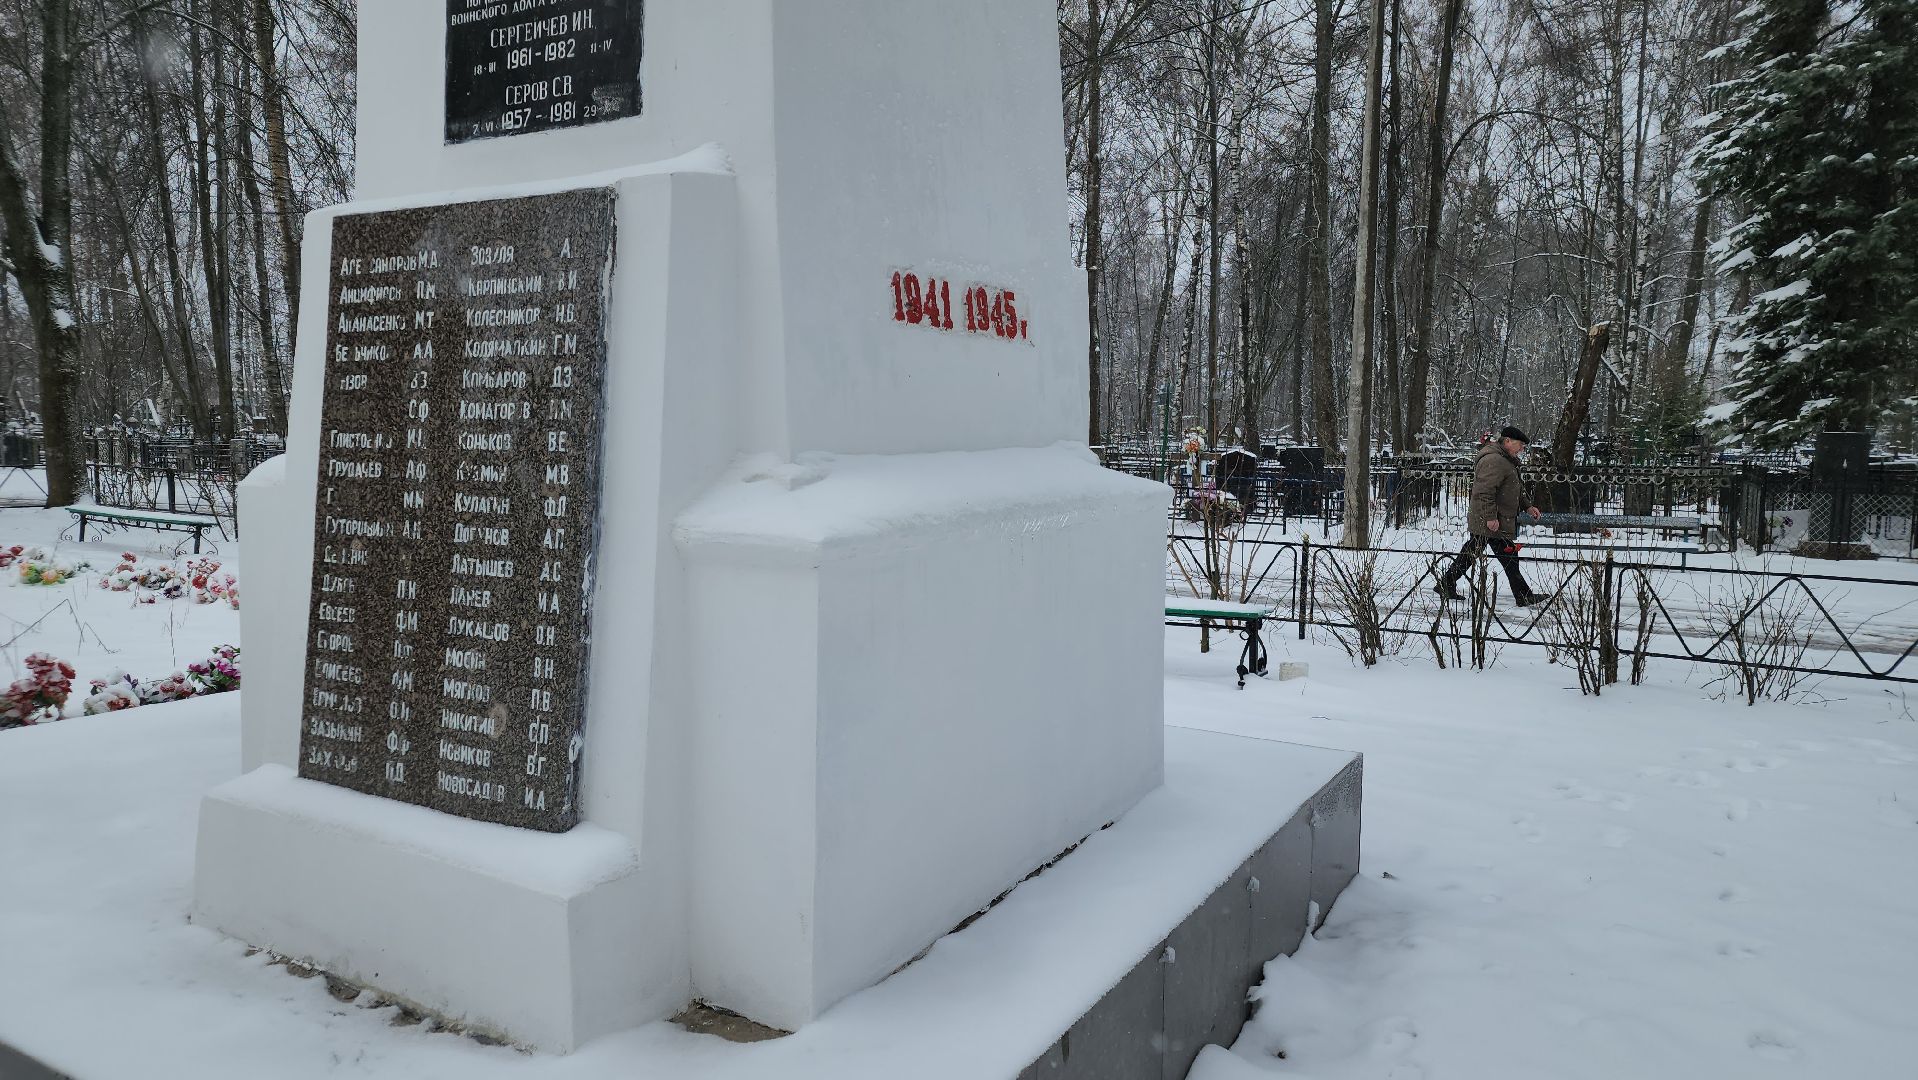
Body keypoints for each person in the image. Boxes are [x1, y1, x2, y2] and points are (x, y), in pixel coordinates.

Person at [1438, 425, 1542, 605]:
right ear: (1507, 441)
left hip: (1495, 519)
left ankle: (1446, 583)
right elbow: (1484, 491)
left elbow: (1513, 488)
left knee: (1474, 553)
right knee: (1503, 557)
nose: (1522, 449)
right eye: (1520, 445)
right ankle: (1523, 595)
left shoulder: (1505, 460)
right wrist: (1490, 517)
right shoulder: (1494, 460)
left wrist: (1527, 507)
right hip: (1492, 520)